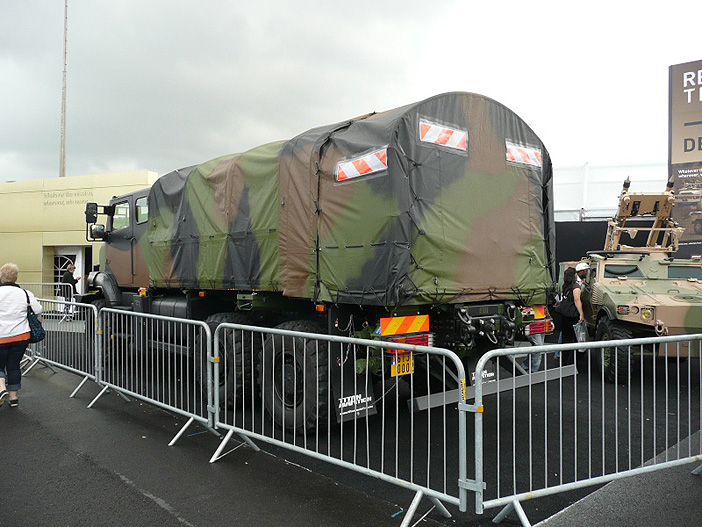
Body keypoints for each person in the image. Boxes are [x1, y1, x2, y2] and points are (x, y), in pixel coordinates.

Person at [0, 262, 43, 407]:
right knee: (13, 366)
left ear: (1, 277)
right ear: (16, 278)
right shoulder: (25, 293)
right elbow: (38, 310)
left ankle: (1, 389)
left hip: (1, 336)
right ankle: (13, 397)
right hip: (21, 336)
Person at [556, 267, 585, 365]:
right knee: (577, 339)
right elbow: (577, 300)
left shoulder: (565, 286)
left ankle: (564, 362)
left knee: (565, 339)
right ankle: (575, 363)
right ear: (574, 275)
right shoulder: (576, 287)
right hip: (572, 315)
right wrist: (581, 314)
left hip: (564, 314)